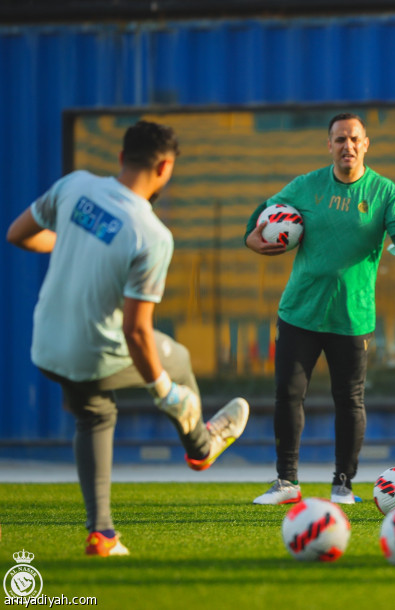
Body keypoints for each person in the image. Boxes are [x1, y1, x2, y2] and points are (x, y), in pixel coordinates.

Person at [6, 120, 250, 556]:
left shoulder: (74, 186)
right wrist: (165, 392)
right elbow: (136, 331)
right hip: (94, 354)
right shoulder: (152, 235)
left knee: (95, 416)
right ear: (165, 168)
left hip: (46, 346)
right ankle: (201, 446)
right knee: (179, 358)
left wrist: (77, 243)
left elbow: (17, 233)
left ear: (120, 156)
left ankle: (102, 533)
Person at [245, 113, 395, 506]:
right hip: (299, 312)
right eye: (339, 139)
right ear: (329, 145)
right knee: (288, 396)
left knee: (349, 401)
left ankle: (343, 486)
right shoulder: (307, 185)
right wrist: (251, 237)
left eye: (354, 139)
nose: (347, 146)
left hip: (352, 318)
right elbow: (263, 211)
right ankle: (286, 482)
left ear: (365, 144)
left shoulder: (385, 192)